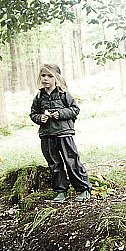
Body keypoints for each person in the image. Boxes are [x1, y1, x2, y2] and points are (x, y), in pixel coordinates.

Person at [30, 63, 92, 202]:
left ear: (56, 78)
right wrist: (40, 118)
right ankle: (61, 191)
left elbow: (75, 109)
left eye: (50, 76)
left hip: (64, 133)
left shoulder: (64, 94)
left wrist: (61, 113)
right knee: (54, 163)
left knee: (71, 161)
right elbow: (33, 114)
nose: (46, 78)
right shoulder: (39, 97)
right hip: (47, 135)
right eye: (43, 75)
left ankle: (83, 189)